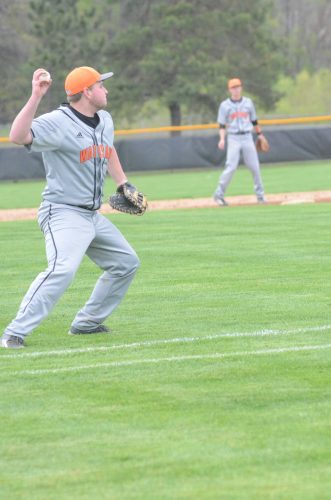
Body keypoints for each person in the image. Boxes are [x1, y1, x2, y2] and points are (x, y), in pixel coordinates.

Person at [1, 66, 141, 349]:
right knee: (62, 269)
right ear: (87, 92)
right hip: (63, 212)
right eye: (101, 85)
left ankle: (86, 323)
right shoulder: (57, 122)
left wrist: (123, 183)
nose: (106, 89)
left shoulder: (105, 120)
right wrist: (36, 95)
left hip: (91, 215)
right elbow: (17, 136)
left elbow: (108, 149)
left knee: (126, 263)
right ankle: (13, 333)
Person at [213, 78, 266, 206]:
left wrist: (260, 135)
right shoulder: (224, 105)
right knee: (231, 167)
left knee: (255, 167)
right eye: (233, 87)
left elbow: (254, 121)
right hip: (233, 138)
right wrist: (221, 139)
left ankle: (260, 197)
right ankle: (218, 195)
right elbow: (221, 125)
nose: (236, 89)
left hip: (248, 137)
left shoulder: (248, 103)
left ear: (241, 87)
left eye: (238, 86)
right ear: (229, 89)